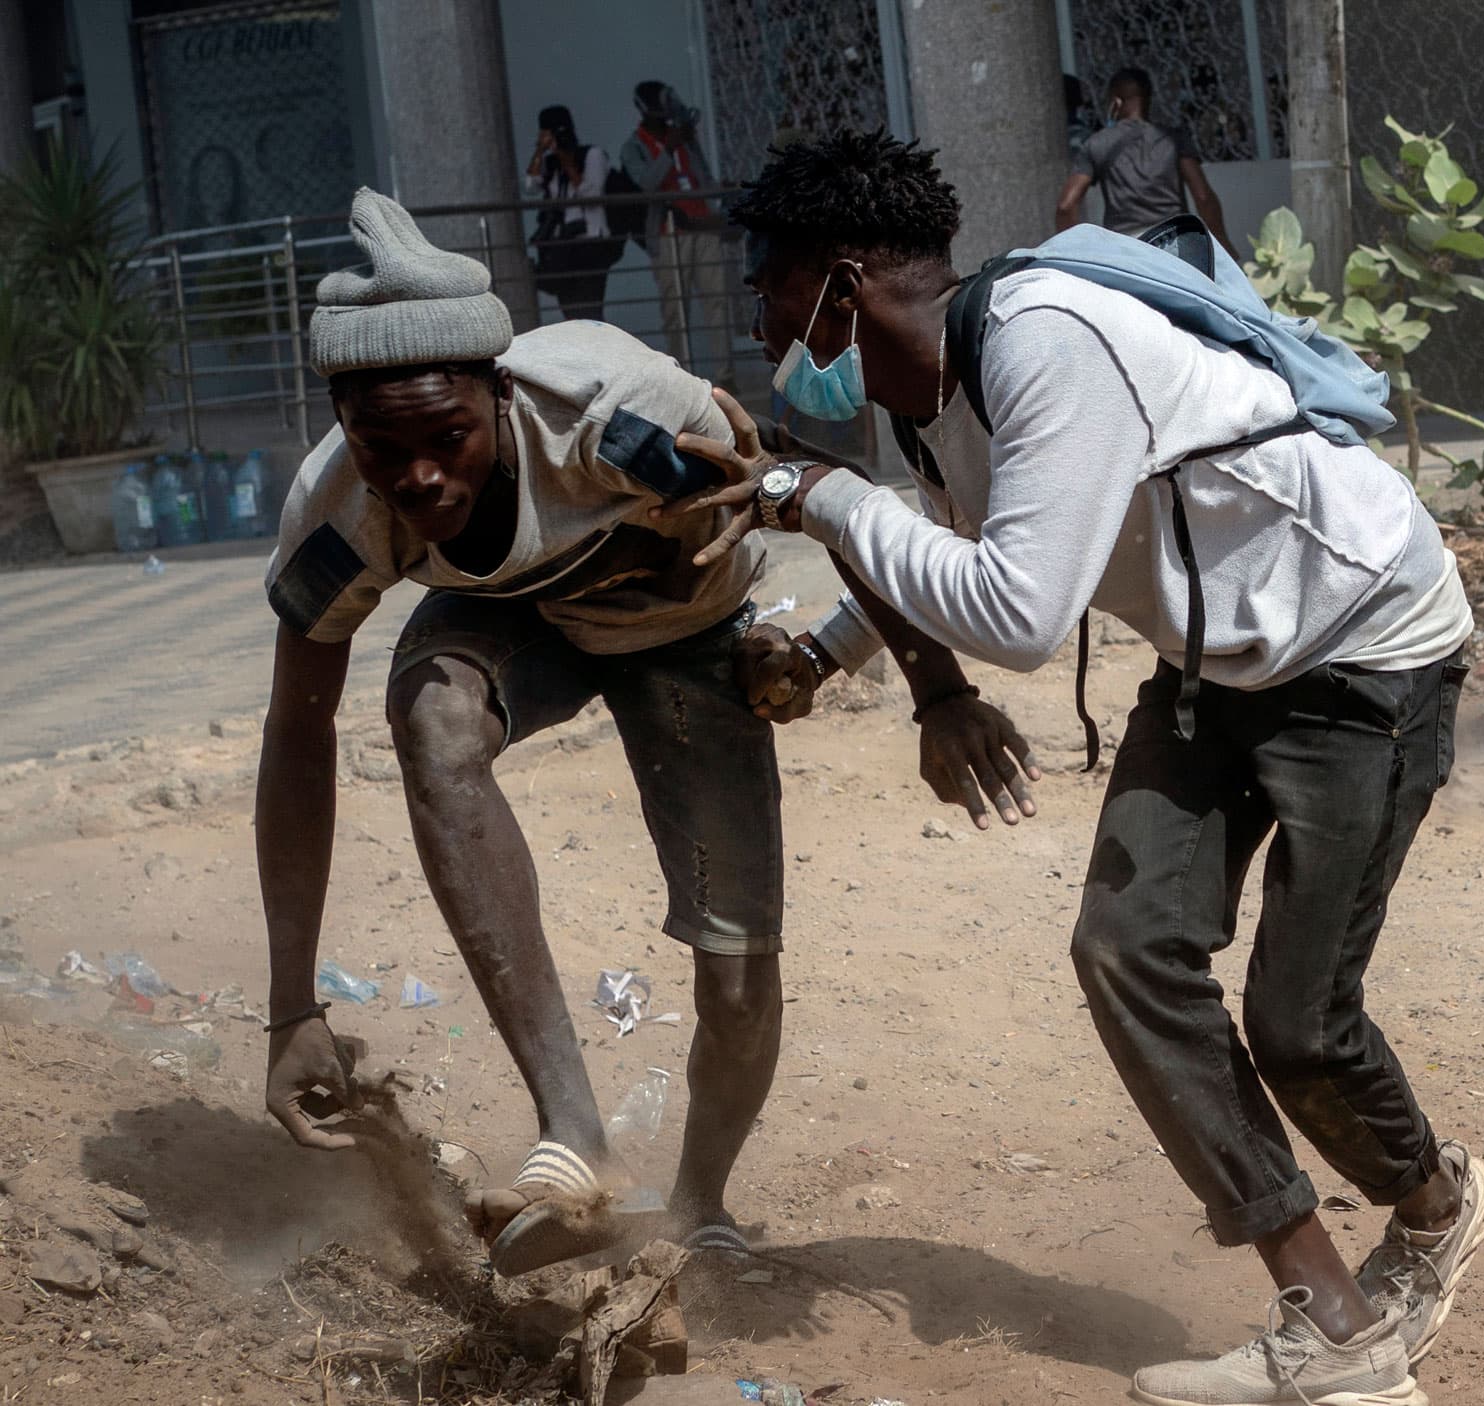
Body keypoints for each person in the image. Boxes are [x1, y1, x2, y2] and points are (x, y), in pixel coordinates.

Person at [680, 129, 1484, 1406]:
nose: (763, 320)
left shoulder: (1043, 341)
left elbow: (1017, 613)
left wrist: (819, 495)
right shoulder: (930, 393)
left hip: (1362, 656)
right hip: (1216, 665)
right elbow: (966, 538)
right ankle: (1331, 1318)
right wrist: (839, 652)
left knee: (1300, 1025)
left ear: (840, 283)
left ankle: (1437, 1203)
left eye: (769, 290)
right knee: (1126, 946)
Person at [254, 188, 1028, 1275]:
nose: (421, 476)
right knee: (432, 723)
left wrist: (935, 689)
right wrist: (291, 1005)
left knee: (738, 973)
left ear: (501, 393)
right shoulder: (344, 512)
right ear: (345, 430)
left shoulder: (616, 418)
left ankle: (698, 1201)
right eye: (386, 447)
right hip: (519, 623)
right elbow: (297, 729)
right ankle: (571, 1132)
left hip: (685, 630)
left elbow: (819, 490)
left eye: (449, 438)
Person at [621, 81, 736, 387]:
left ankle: (725, 375)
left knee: (717, 301)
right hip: (668, 232)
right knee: (676, 310)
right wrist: (669, 148)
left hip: (702, 226)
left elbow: (703, 178)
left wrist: (721, 195)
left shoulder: (684, 137)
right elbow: (647, 184)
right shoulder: (634, 146)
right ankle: (681, 380)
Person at [1055, 67, 1239, 257]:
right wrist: (1222, 241)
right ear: (1149, 99)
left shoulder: (1097, 144)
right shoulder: (1174, 139)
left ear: (1115, 102)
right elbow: (1203, 196)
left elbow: (1066, 206)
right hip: (1175, 241)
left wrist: (1074, 252)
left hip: (1125, 247)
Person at [526, 105, 619, 323]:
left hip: (590, 243)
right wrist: (540, 151)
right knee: (570, 313)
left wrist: (567, 162)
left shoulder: (592, 155)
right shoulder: (549, 163)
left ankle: (598, 352)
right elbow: (530, 186)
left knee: (589, 310)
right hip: (562, 246)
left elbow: (591, 193)